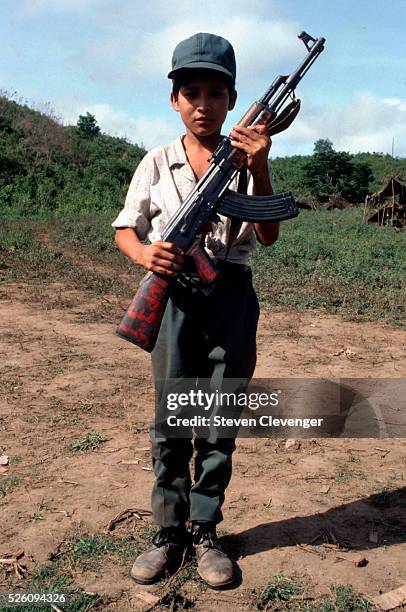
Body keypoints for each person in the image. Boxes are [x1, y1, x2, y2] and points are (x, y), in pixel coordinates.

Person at [112, 32, 279, 589]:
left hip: (231, 295)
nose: (203, 104)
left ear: (232, 100)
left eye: (215, 92)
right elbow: (125, 229)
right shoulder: (157, 160)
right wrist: (145, 252)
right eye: (192, 92)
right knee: (171, 419)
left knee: (219, 417)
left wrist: (259, 168)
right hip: (174, 296)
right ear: (174, 100)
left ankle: (206, 530)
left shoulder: (245, 159)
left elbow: (268, 233)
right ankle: (169, 532)